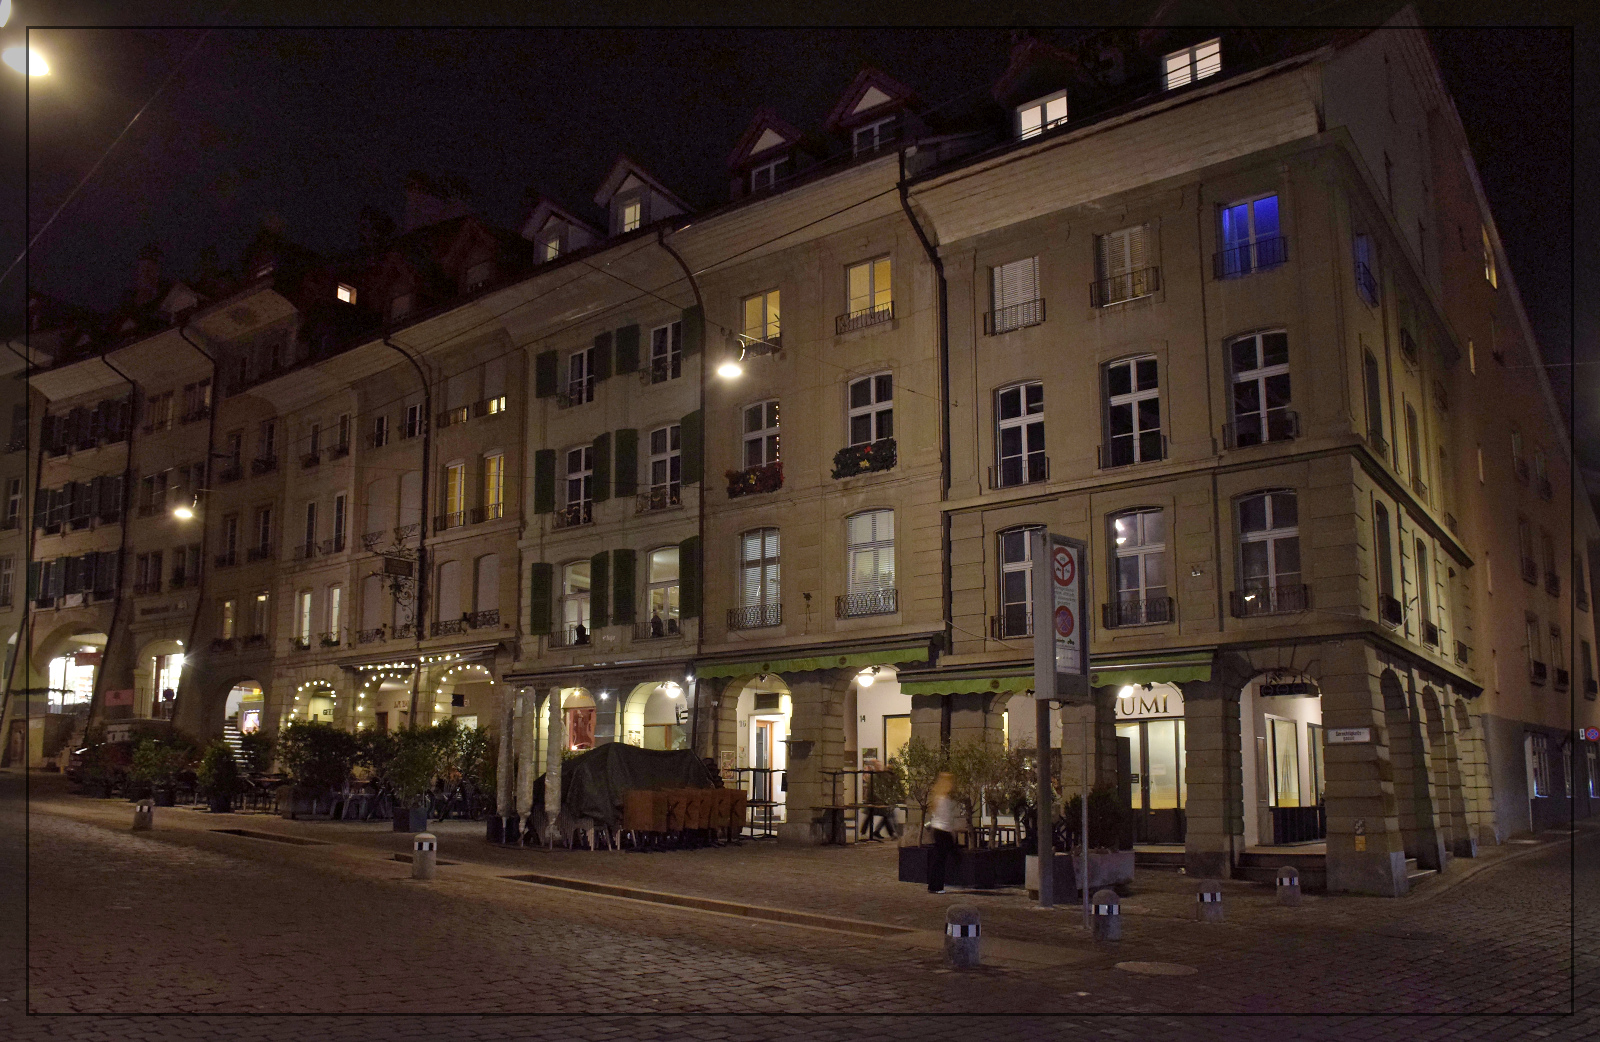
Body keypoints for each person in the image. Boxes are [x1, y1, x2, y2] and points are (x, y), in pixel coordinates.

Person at [926, 771, 958, 894]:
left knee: (938, 860)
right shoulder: (944, 799)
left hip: (937, 829)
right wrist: (951, 831)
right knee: (941, 860)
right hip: (943, 830)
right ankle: (937, 886)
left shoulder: (937, 797)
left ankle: (934, 885)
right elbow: (946, 817)